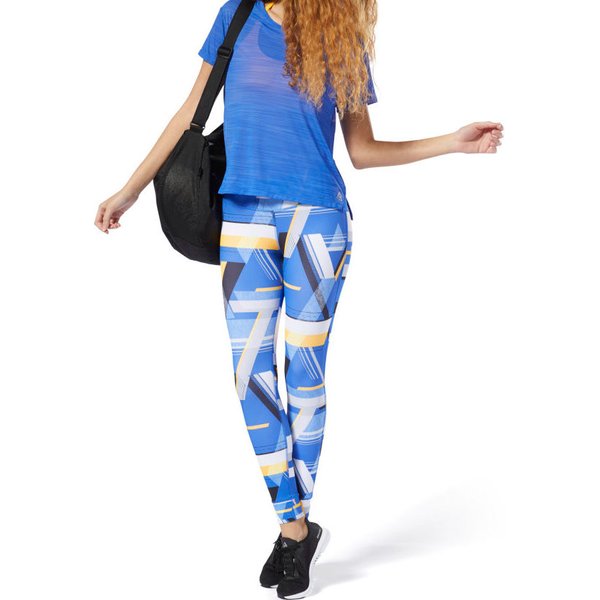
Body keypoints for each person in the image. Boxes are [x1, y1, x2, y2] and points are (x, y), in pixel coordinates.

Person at [94, 0, 503, 597]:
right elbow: (189, 111)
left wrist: (452, 143)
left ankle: (292, 533)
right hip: (244, 218)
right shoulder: (237, 16)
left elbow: (361, 151)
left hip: (319, 221)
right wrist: (130, 189)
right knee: (250, 375)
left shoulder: (341, 35)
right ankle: (297, 525)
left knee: (304, 374)